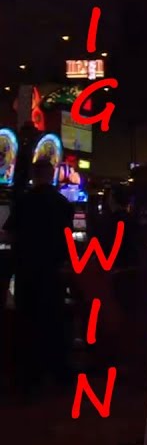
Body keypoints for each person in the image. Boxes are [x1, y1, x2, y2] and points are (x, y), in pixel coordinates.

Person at [2, 159, 74, 394]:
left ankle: (29, 377)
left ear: (34, 175)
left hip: (27, 270)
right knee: (52, 320)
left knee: (27, 322)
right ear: (52, 175)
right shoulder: (63, 203)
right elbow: (68, 238)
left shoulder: (24, 201)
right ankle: (56, 372)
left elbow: (9, 235)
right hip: (53, 271)